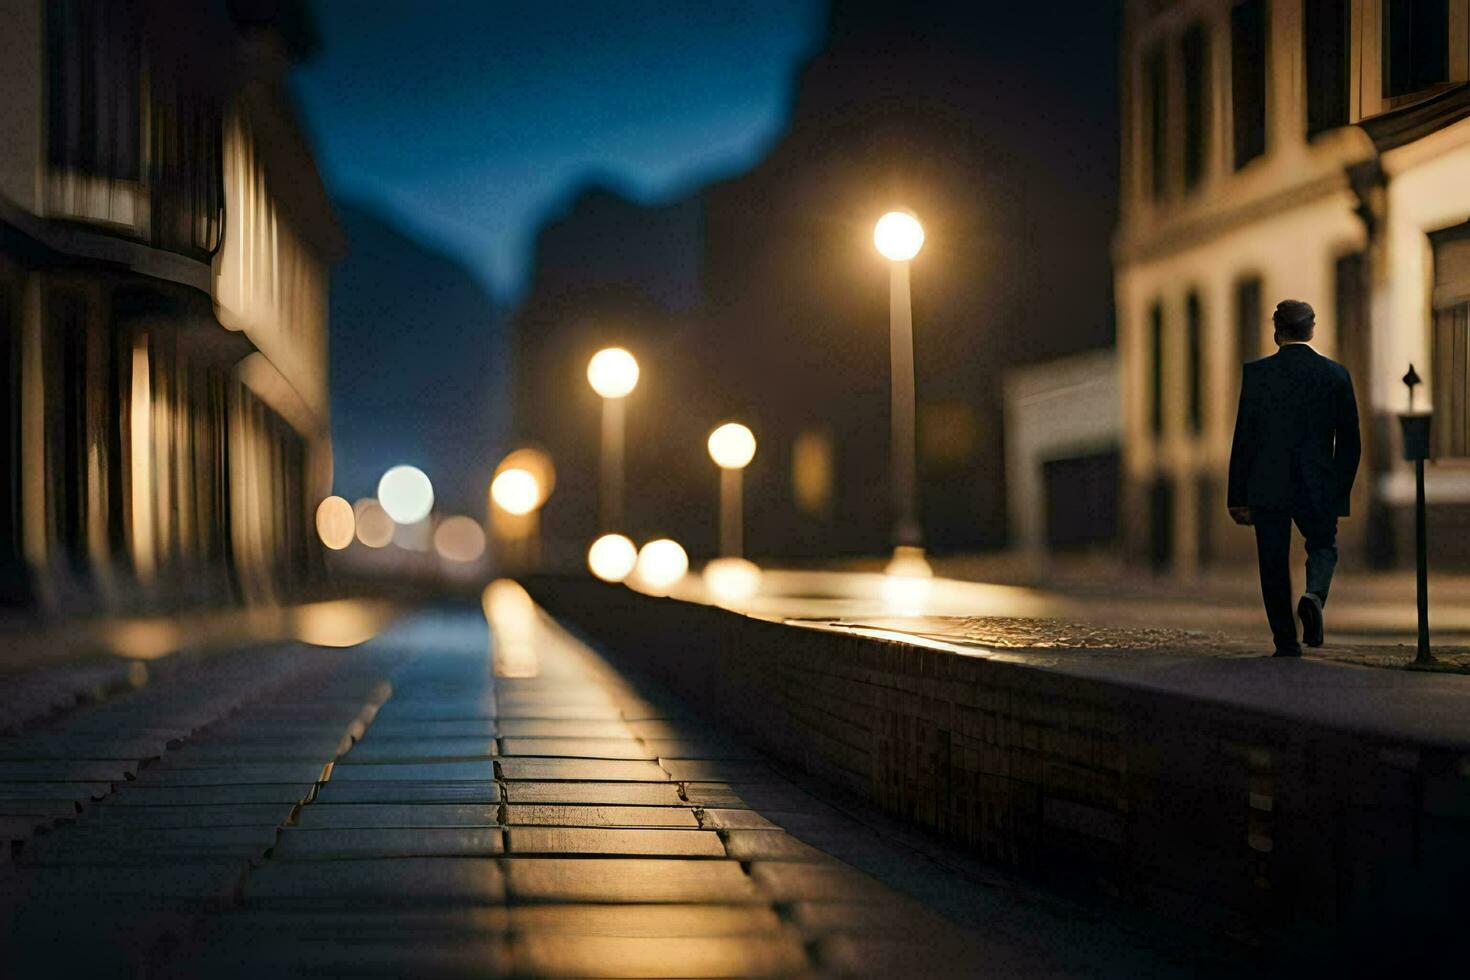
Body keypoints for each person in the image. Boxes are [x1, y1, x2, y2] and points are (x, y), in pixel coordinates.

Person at [1227, 299, 1361, 656]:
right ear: (1311, 330)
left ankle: (1285, 641)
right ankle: (1313, 595)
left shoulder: (1257, 375)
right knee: (1322, 545)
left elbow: (1244, 439)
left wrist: (1237, 496)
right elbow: (1350, 442)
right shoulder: (1335, 375)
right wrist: (1339, 490)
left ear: (1277, 330)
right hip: (1316, 483)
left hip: (1267, 484)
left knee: (1272, 562)